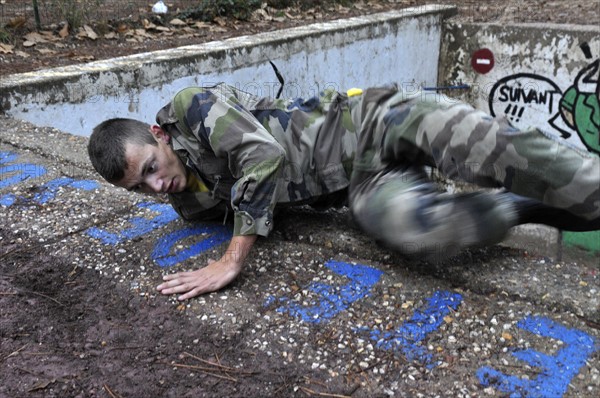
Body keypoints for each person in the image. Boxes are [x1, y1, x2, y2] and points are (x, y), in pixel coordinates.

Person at [87, 83, 600, 300]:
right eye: (143, 187)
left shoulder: (191, 108)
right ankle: (520, 208)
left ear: (157, 136)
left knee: (488, 148)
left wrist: (233, 258)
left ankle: (588, 193)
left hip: (372, 123)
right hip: (356, 185)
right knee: (418, 233)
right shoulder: (185, 201)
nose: (159, 185)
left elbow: (263, 156)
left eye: (152, 168)